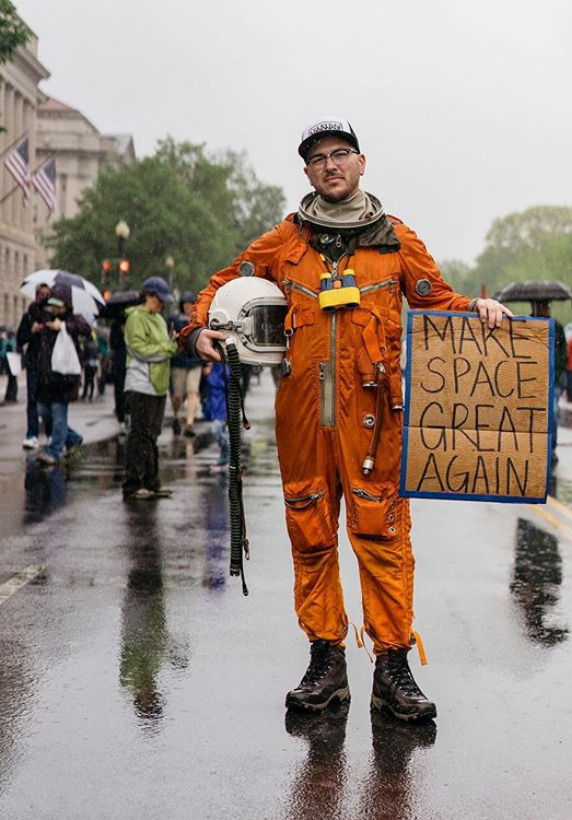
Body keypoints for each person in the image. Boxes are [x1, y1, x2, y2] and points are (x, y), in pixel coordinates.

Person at [180, 117, 511, 721]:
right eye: (317, 159)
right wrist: (200, 325)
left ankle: (393, 668)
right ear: (306, 172)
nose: (330, 165)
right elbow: (224, 281)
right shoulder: (286, 240)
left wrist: (477, 308)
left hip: (375, 420)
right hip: (303, 420)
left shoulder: (395, 239)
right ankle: (325, 660)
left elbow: (438, 298)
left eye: (340, 154)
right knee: (310, 535)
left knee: (383, 538)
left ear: (362, 163)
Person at [122, 276, 179, 500]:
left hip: (158, 385)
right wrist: (168, 347)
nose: (161, 304)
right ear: (148, 295)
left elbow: (161, 346)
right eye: (158, 299)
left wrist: (169, 345)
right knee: (140, 435)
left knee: (152, 435)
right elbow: (139, 349)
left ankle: (151, 482)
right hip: (141, 384)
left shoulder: (159, 320)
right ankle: (133, 484)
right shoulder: (136, 317)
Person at [34, 284, 91, 466]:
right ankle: (72, 438)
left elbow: (86, 329)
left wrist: (64, 326)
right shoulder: (47, 316)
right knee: (44, 410)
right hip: (47, 377)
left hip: (64, 377)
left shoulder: (73, 319)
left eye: (60, 304)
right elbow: (33, 309)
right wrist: (46, 297)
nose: (56, 308)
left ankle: (55, 451)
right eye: (54, 304)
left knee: (59, 414)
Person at [16, 282, 51, 448]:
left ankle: (52, 433)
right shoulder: (29, 315)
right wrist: (32, 331)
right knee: (32, 399)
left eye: (46, 294)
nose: (43, 297)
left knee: (49, 399)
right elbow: (20, 339)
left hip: (50, 363)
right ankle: (32, 434)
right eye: (41, 294)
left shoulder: (53, 314)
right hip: (34, 362)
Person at [531, 300, 566, 464]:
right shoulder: (527, 323)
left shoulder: (556, 327)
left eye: (545, 306)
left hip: (552, 380)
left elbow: (562, 354)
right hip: (531, 379)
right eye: (540, 306)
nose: (542, 308)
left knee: (553, 414)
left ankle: (551, 449)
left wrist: (553, 371)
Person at [168, 291, 203, 437]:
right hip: (179, 361)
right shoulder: (174, 320)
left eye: (190, 304)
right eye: (186, 304)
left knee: (192, 391)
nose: (188, 307)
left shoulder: (199, 320)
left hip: (195, 361)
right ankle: (176, 416)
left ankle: (189, 423)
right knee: (177, 394)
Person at [202, 362, 229, 473]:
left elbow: (226, 384)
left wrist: (209, 376)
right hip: (216, 406)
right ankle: (224, 458)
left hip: (222, 406)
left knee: (216, 430)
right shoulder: (214, 367)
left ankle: (227, 455)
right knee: (219, 431)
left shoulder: (223, 367)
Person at [0, 328, 19, 403]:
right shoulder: (12, 341)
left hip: (10, 363)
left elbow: (3, 352)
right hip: (12, 363)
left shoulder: (8, 341)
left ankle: (11, 397)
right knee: (12, 380)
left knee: (12, 380)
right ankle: (11, 397)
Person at [80, 333, 99, 401]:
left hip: (88, 364)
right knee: (92, 380)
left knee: (86, 380)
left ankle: (84, 394)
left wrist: (82, 364)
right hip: (94, 364)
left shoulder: (86, 345)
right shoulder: (95, 345)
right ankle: (91, 394)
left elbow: (84, 355)